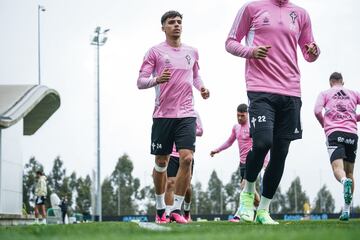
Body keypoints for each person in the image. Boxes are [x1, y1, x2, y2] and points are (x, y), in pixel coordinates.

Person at [225, 0, 320, 224]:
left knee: (280, 152)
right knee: (262, 143)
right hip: (260, 89)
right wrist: (251, 51)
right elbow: (230, 43)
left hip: (291, 91)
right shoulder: (251, 8)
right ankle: (247, 195)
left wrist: (314, 51)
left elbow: (309, 53)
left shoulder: (301, 14)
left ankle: (264, 211)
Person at [137, 10, 210, 224]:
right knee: (161, 163)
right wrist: (157, 79)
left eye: (179, 22)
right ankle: (161, 208)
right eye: (171, 22)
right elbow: (140, 81)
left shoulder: (192, 52)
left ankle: (177, 209)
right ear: (163, 27)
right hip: (163, 115)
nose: (176, 25)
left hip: (187, 113)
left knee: (187, 158)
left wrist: (202, 87)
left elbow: (195, 75)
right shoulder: (154, 52)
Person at [210, 104, 269, 222]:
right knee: (251, 193)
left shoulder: (253, 126)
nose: (240, 118)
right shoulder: (236, 127)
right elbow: (229, 142)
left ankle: (238, 215)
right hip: (242, 163)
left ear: (247, 114)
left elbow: (263, 143)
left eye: (242, 115)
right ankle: (261, 209)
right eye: (238, 115)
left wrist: (266, 161)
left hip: (254, 160)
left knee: (243, 186)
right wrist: (217, 150)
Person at [314, 72, 360, 221]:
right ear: (342, 82)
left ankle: (343, 181)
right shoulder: (353, 93)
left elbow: (316, 111)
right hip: (351, 134)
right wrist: (354, 117)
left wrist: (324, 124)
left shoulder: (325, 93)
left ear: (330, 82)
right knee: (350, 173)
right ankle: (346, 211)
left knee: (338, 170)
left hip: (334, 132)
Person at [165, 112, 203, 222]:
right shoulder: (169, 111)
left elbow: (201, 131)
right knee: (170, 183)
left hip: (186, 154)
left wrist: (184, 132)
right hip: (172, 154)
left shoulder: (194, 113)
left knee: (187, 187)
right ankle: (168, 214)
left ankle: (186, 211)